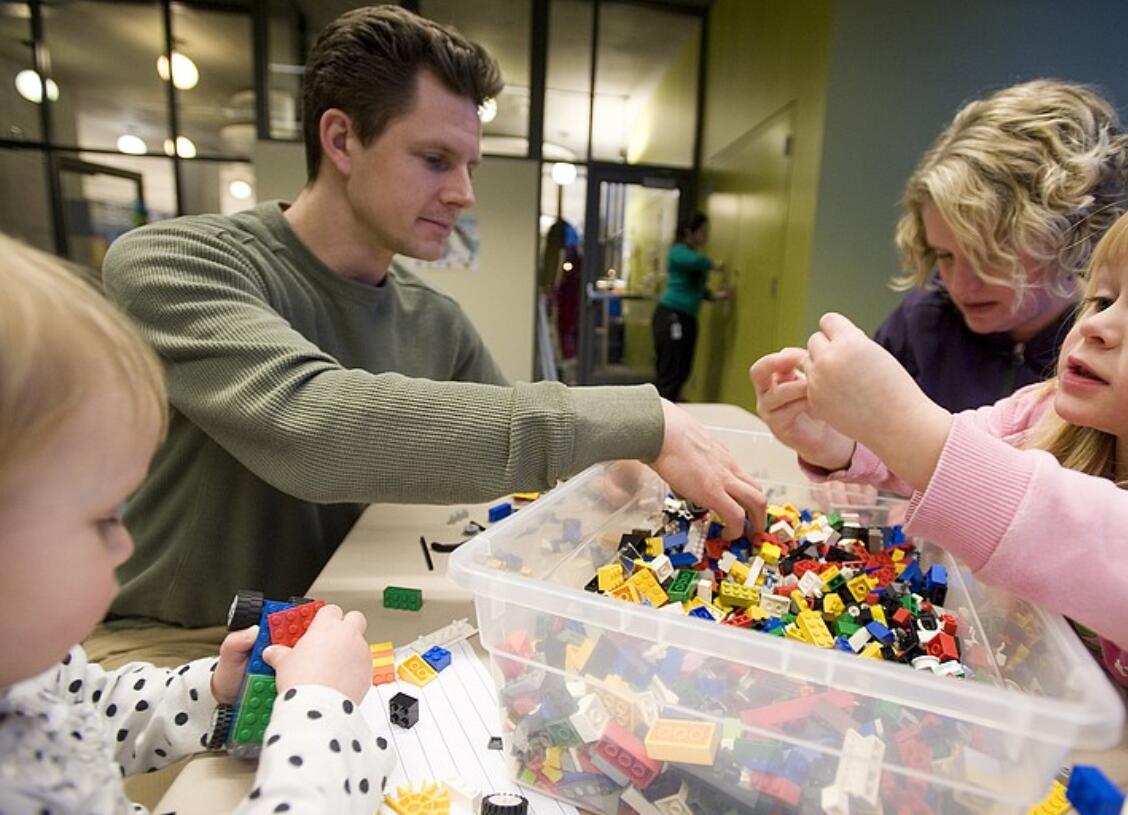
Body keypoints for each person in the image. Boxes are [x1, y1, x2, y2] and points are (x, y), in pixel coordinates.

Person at [96, 6, 764, 665]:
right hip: (182, 647)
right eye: (436, 159)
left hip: (340, 632)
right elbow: (313, 425)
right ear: (340, 140)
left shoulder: (436, 319)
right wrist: (642, 421)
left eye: (469, 164)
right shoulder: (172, 263)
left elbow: (515, 448)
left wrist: (610, 471)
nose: (464, 193)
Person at [751, 164, 1128, 722]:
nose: (1097, 326)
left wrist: (903, 424)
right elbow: (952, 456)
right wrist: (846, 442)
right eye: (1101, 299)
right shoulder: (1044, 412)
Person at [0, 234, 390, 813]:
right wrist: (321, 712)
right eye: (102, 518)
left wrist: (210, 689)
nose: (125, 543)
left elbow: (92, 709)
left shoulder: (25, 669)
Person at [876, 79, 1128, 412]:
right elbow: (857, 451)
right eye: (945, 255)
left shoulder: (1110, 350)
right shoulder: (920, 324)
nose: (960, 285)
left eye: (989, 256)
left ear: (1067, 237)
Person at [652, 211, 730, 401]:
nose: (706, 236)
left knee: (682, 368)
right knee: (670, 368)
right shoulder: (678, 251)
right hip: (672, 315)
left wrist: (717, 296)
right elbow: (693, 261)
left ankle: (671, 406)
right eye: (702, 231)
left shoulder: (694, 257)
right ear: (688, 232)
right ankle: (662, 414)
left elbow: (698, 290)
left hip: (687, 318)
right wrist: (713, 264)